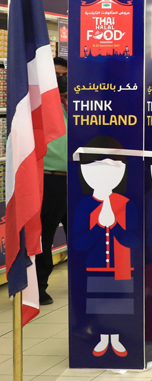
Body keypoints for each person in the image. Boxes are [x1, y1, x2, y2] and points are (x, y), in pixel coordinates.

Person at [37, 56, 69, 306]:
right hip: (51, 179)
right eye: (57, 75)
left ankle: (82, 281)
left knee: (82, 234)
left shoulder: (80, 104)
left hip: (80, 180)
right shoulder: (42, 105)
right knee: (45, 234)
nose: (61, 79)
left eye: (65, 74)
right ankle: (39, 286)